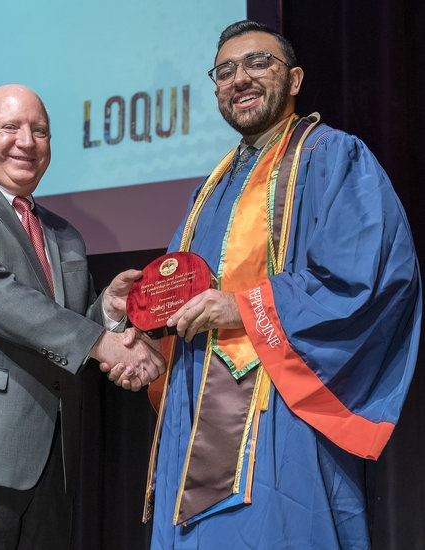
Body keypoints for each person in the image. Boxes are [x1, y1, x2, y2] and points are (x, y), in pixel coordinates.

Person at [102, 20, 421, 549]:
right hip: (193, 408)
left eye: (258, 63)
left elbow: (367, 276)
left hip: (276, 411)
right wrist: (131, 326)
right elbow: (182, 303)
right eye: (224, 70)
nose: (239, 78)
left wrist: (244, 306)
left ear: (294, 80)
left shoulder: (332, 157)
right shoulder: (210, 187)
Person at [0, 84, 164, 549]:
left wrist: (110, 313)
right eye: (11, 127)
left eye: (41, 131)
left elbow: (69, 323)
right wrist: (99, 341)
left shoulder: (65, 235)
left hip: (52, 462)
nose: (28, 141)